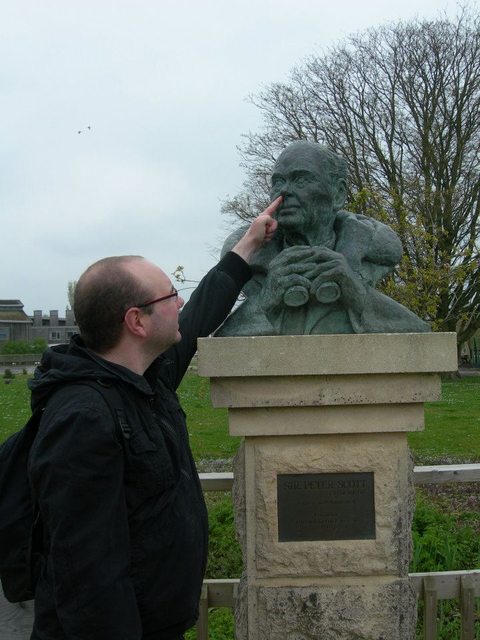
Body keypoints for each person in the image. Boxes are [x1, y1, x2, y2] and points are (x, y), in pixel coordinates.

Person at [27, 198, 281, 640]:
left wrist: (248, 245)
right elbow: (89, 582)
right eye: (169, 295)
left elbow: (198, 315)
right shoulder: (82, 420)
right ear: (136, 322)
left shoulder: (146, 378)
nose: (179, 301)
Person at [216, 140, 429, 336]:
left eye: (301, 180)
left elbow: (418, 334)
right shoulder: (249, 264)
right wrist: (267, 299)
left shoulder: (369, 255)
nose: (284, 192)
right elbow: (225, 341)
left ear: (338, 194)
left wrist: (356, 292)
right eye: (278, 182)